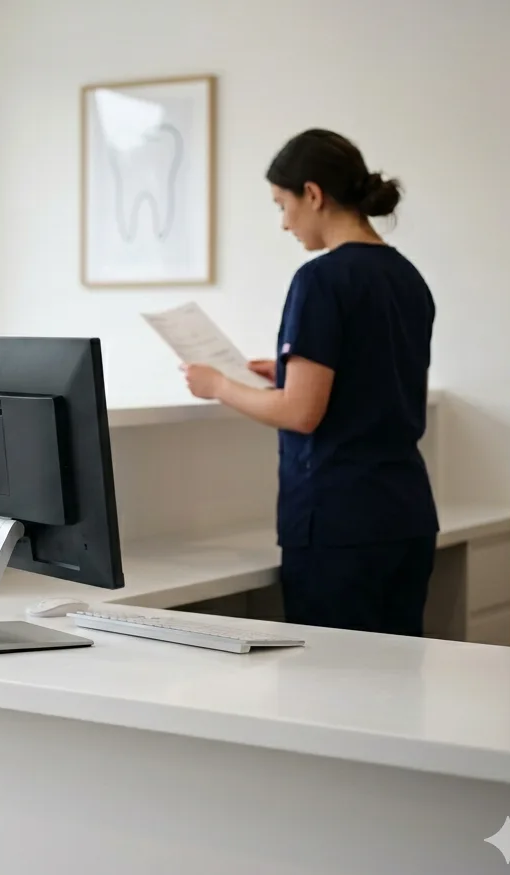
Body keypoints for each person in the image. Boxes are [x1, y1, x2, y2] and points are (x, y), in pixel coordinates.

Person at [182, 128, 438, 636]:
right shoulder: (407, 276)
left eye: (284, 204)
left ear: (314, 194)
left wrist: (218, 385)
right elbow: (377, 369)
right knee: (396, 688)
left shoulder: (321, 279)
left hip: (339, 523)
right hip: (404, 516)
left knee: (333, 691)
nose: (284, 223)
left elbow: (301, 414)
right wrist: (289, 372)